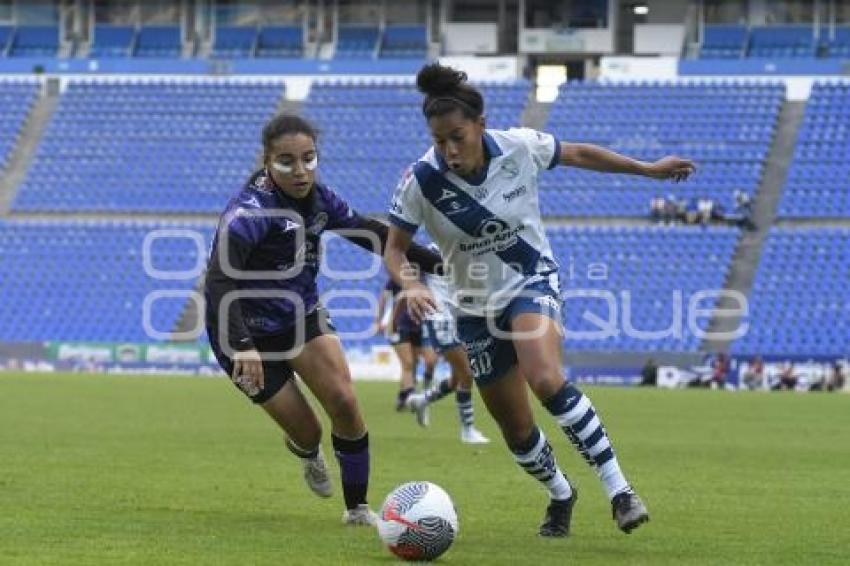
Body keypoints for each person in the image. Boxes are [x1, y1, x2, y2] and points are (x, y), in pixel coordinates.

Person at [384, 63, 695, 537]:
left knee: (546, 377)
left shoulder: (518, 146)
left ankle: (620, 491)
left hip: (531, 280)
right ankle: (560, 493)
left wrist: (647, 170)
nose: (449, 149)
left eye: (458, 137)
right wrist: (409, 283)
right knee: (516, 428)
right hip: (472, 310)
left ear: (481, 125)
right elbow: (394, 248)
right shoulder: (421, 182)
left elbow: (581, 154)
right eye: (439, 139)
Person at [204, 114, 441, 526]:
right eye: (287, 161)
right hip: (242, 334)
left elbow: (370, 232)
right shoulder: (248, 213)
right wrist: (243, 345)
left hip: (299, 317)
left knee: (345, 402)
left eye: (309, 159)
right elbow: (220, 281)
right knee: (309, 432)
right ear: (266, 160)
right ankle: (308, 451)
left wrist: (434, 262)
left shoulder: (319, 199)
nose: (300, 171)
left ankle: (357, 508)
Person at [405, 254, 491, 444]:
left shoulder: (460, 248)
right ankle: (467, 430)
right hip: (440, 319)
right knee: (467, 373)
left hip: (459, 318)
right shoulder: (431, 251)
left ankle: (422, 400)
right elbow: (406, 266)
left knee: (457, 379)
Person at [374, 276, 438, 410]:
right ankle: (409, 397)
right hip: (397, 325)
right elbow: (383, 299)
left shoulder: (422, 279)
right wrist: (378, 321)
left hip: (417, 325)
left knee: (414, 363)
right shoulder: (396, 278)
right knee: (408, 363)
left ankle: (404, 395)